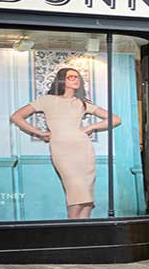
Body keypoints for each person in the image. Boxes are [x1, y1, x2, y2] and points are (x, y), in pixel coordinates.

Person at [11, 67, 121, 219]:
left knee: (87, 200)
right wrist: (39, 133)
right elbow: (17, 116)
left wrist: (90, 127)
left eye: (77, 77)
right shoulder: (46, 100)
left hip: (84, 150)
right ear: (62, 80)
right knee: (76, 195)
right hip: (61, 150)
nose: (76, 80)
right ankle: (72, 233)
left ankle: (84, 236)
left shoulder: (82, 103)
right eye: (71, 77)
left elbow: (115, 119)